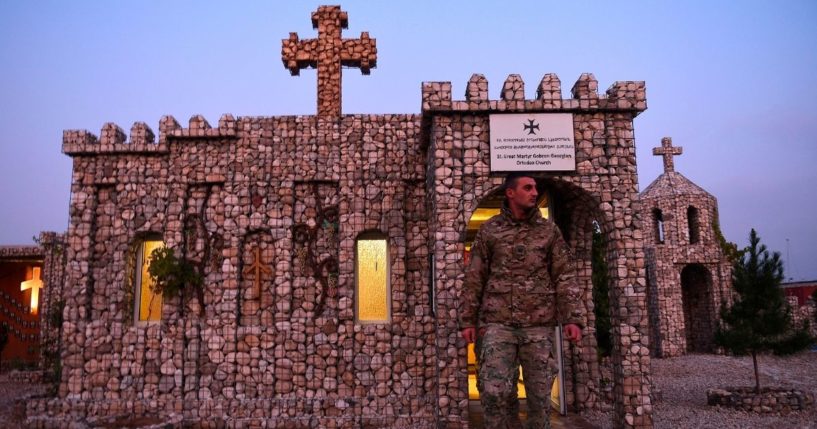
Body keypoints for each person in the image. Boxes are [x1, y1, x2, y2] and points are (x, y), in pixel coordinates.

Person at [460, 172, 585, 429]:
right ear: (510, 193)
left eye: (535, 188)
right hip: (497, 324)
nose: (534, 192)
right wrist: (467, 320)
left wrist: (573, 318)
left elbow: (564, 275)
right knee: (495, 394)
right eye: (527, 188)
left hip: (538, 326)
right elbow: (475, 277)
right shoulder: (490, 230)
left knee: (540, 399)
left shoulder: (548, 231)